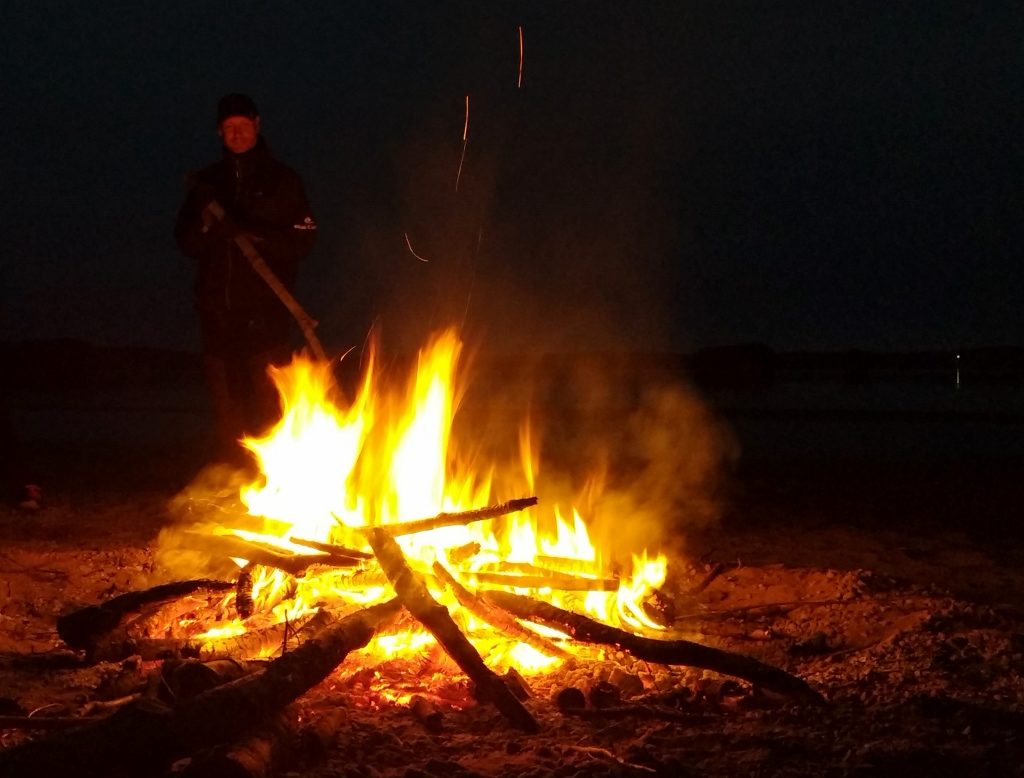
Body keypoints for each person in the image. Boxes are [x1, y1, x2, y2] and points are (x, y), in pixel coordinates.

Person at [175, 94, 317, 462]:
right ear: (219, 133)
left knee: (270, 407)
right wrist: (207, 227)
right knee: (228, 412)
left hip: (266, 315)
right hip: (217, 315)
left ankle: (281, 485)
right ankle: (237, 488)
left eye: (242, 125)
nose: (236, 133)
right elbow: (185, 243)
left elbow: (303, 240)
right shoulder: (207, 184)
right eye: (228, 128)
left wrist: (251, 230)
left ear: (257, 124)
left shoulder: (282, 180)